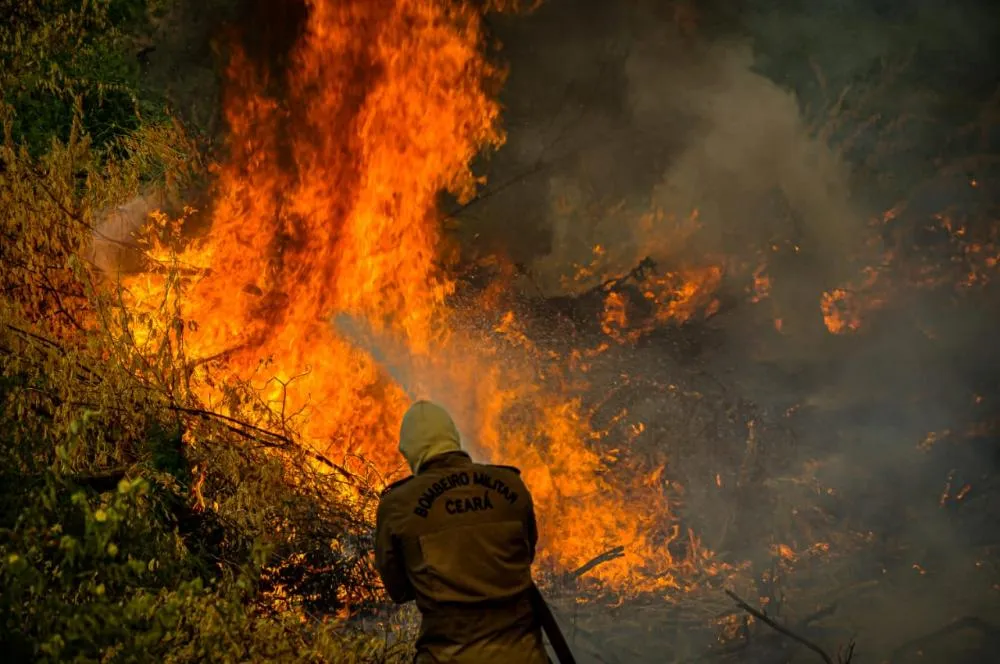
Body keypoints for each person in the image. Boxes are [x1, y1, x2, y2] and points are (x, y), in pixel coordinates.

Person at [374, 400, 550, 663]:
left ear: (409, 452)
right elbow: (526, 555)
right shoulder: (511, 485)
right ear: (453, 439)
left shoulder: (398, 505)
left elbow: (399, 590)